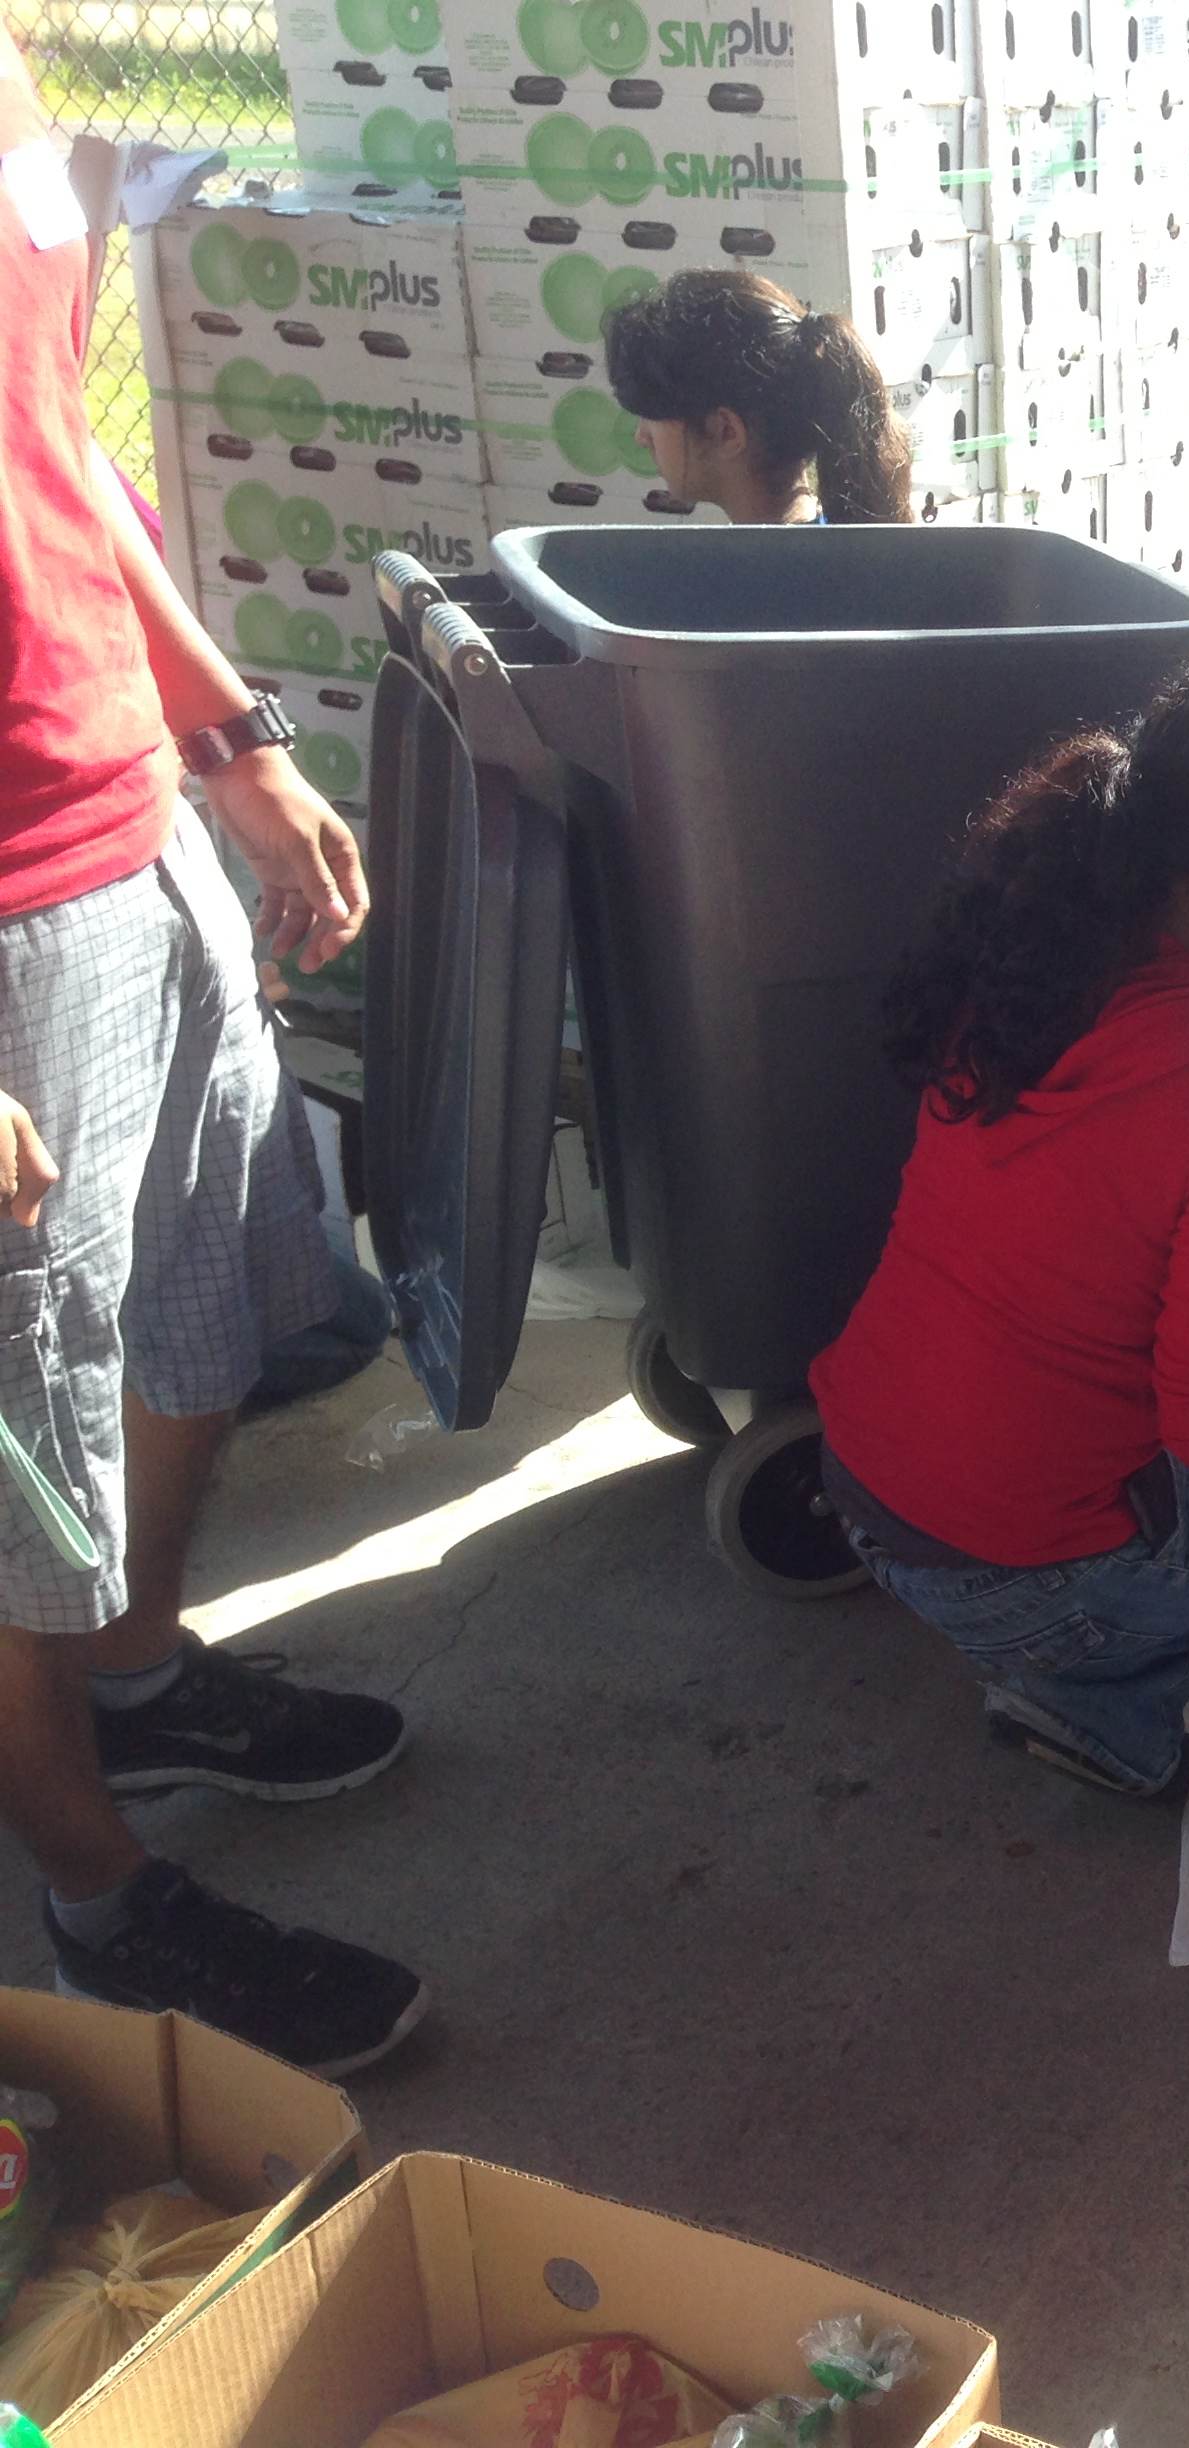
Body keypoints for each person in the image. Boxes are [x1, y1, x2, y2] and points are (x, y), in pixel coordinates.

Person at [3, 32, 425, 2072]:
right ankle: (95, 1890)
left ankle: (137, 1676)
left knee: (196, 1304)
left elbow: (51, 448)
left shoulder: (17, 86)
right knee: (15, 1438)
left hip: (123, 815)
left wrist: (229, 738)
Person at [811, 648, 1189, 1798]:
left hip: (860, 1480)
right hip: (1009, 1583)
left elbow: (1088, 1193)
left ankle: (1055, 1631)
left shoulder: (1032, 957)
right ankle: (1097, 1700)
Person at [601, 267, 914, 526]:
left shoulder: (757, 578)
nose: (641, 436)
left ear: (725, 431)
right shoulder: (830, 556)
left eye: (651, 414)